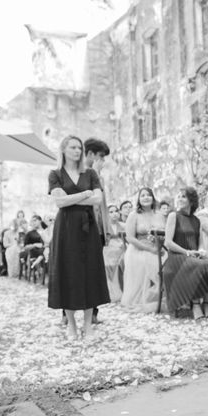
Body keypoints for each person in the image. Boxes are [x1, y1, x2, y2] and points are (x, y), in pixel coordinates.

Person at [48, 135, 110, 340]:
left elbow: (98, 199)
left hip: (88, 228)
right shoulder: (55, 174)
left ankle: (89, 325)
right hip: (65, 229)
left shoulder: (90, 173)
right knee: (67, 273)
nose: (77, 151)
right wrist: (84, 194)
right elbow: (59, 203)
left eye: (79, 147)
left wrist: (72, 198)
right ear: (63, 149)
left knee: (89, 273)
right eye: (73, 147)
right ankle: (71, 325)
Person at [163, 187, 208, 318]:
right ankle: (196, 305)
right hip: (177, 257)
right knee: (199, 266)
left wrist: (200, 251)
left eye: (183, 196)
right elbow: (168, 243)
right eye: (178, 196)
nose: (179, 198)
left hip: (193, 255)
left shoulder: (196, 220)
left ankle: (206, 304)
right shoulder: (173, 216)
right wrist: (187, 252)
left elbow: (200, 241)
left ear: (191, 201)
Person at [121, 187, 166, 312]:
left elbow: (165, 234)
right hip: (138, 249)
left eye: (148, 195)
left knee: (168, 263)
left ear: (153, 197)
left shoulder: (160, 215)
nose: (146, 197)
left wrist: (159, 245)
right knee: (144, 262)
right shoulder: (134, 215)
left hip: (158, 248)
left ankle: (160, 297)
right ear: (139, 200)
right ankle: (143, 299)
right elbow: (130, 238)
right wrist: (149, 249)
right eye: (143, 195)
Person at [83, 137, 111, 324]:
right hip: (83, 227)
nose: (103, 161)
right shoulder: (80, 174)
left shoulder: (98, 176)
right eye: (101, 156)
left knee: (94, 272)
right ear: (91, 154)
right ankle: (66, 312)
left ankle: (93, 312)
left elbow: (103, 206)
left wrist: (106, 231)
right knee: (78, 270)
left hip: (98, 230)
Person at [103, 205, 125, 302]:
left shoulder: (123, 225)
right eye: (111, 212)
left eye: (116, 211)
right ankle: (110, 293)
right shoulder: (104, 227)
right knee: (108, 271)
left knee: (119, 270)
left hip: (121, 250)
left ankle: (121, 292)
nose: (114, 214)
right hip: (108, 251)